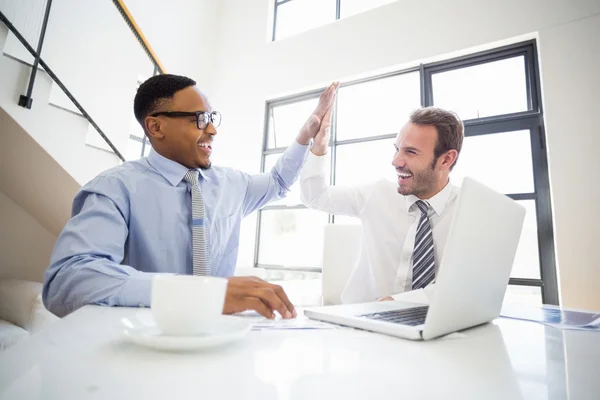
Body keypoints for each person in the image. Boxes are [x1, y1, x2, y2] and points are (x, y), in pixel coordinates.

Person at [43, 74, 339, 318]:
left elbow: (277, 182)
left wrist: (306, 135)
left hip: (222, 342)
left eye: (211, 117)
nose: (212, 130)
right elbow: (68, 280)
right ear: (156, 126)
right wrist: (194, 294)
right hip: (146, 349)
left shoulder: (231, 183)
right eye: (199, 119)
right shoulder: (114, 189)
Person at [300, 106, 464, 303]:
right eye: (397, 149)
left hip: (436, 327)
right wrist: (319, 144)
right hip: (361, 322)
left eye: (410, 152)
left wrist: (401, 303)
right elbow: (314, 196)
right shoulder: (376, 194)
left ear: (446, 159)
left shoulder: (469, 211)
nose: (396, 161)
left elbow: (471, 283)